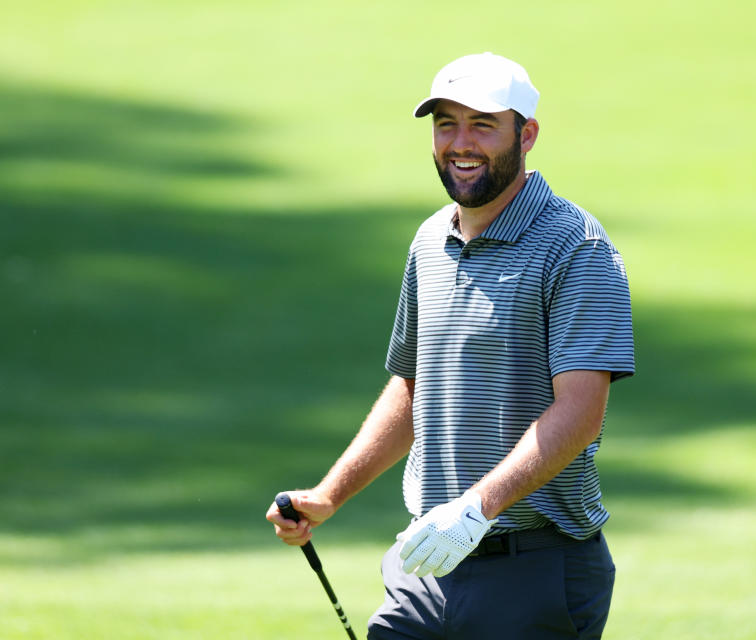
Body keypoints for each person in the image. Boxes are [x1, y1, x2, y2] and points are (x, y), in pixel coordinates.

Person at [266, 52, 635, 639]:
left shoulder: (576, 246)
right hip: (426, 570)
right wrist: (329, 495)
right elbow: (414, 387)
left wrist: (475, 509)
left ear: (528, 135)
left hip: (534, 571)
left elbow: (581, 413)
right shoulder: (430, 241)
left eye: (483, 125)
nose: (460, 143)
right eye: (446, 124)